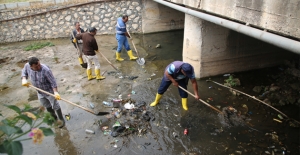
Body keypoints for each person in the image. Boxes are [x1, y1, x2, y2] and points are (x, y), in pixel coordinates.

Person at [21, 57, 65, 128]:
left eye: (39, 64)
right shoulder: (27, 66)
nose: (39, 67)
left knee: (55, 105)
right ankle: (54, 119)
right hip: (39, 91)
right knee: (47, 106)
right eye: (36, 66)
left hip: (49, 91)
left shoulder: (45, 70)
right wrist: (24, 79)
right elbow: (24, 72)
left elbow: (53, 82)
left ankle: (61, 119)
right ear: (31, 66)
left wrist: (56, 92)